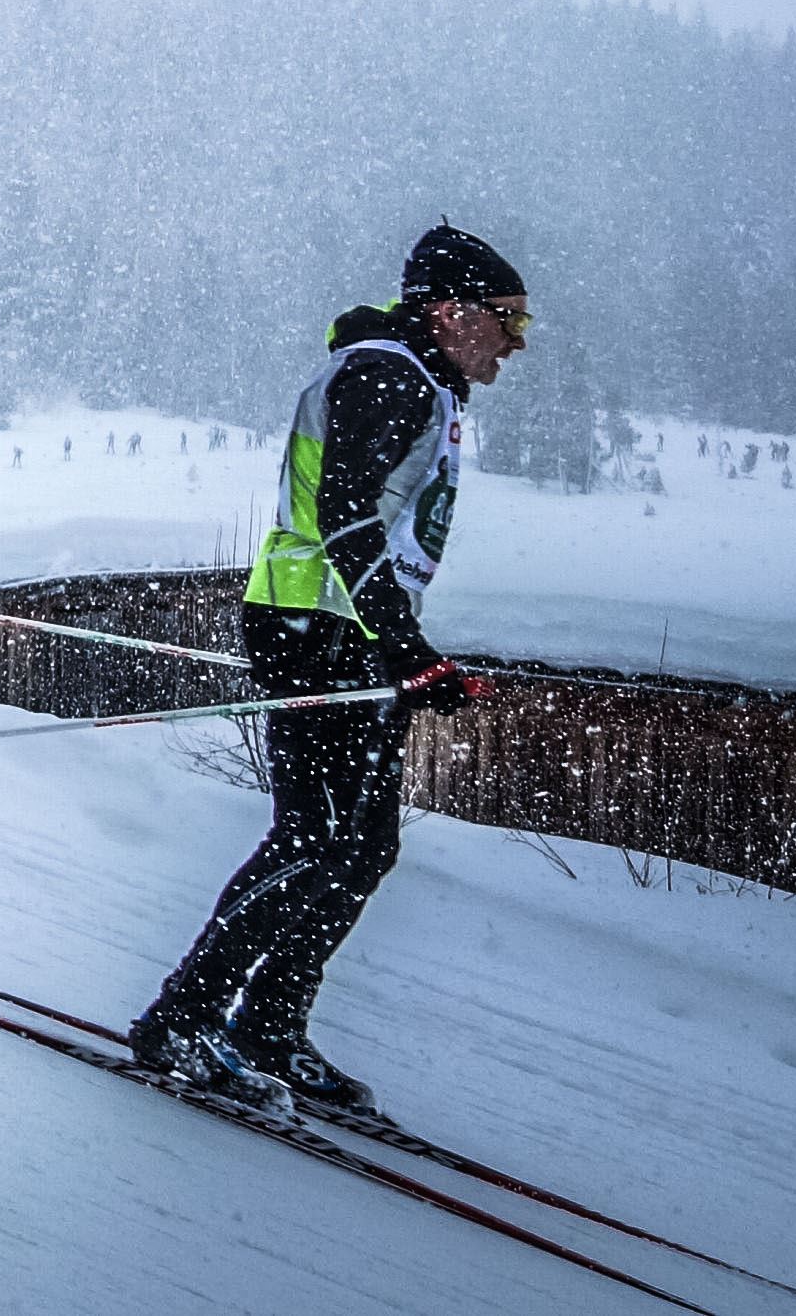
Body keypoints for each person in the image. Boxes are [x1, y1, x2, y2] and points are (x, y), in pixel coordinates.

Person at [130, 222, 531, 1116]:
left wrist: (405, 647)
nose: (516, 341)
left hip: (348, 627)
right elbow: (343, 512)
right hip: (316, 624)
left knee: (362, 844)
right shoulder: (387, 371)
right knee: (314, 834)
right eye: (507, 319)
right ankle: (184, 1017)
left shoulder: (413, 374)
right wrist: (407, 649)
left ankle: (266, 1022)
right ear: (452, 309)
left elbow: (375, 524)